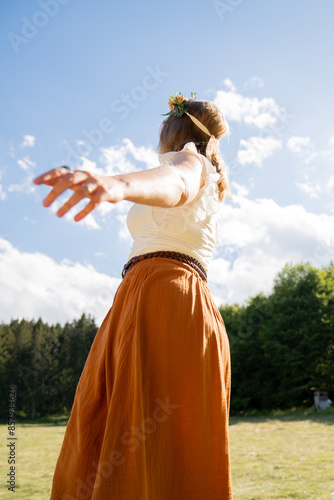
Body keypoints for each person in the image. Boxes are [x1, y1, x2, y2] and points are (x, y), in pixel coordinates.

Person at [33, 94, 234, 500]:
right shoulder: (207, 173)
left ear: (171, 134)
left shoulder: (190, 158)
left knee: (137, 439)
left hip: (164, 296)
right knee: (131, 433)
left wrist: (115, 185)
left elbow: (175, 184)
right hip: (153, 295)